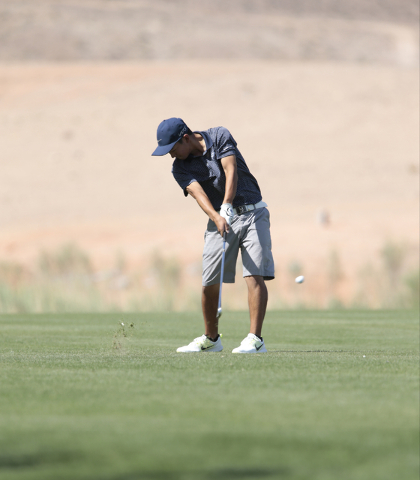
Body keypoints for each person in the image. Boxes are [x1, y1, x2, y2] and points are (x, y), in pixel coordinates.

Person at [152, 118, 275, 353]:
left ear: (185, 138)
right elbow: (199, 195)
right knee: (209, 281)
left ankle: (255, 339)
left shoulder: (219, 135)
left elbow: (230, 171)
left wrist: (227, 204)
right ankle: (211, 339)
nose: (171, 155)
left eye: (173, 149)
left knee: (254, 275)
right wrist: (218, 216)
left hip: (252, 212)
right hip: (219, 220)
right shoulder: (179, 167)